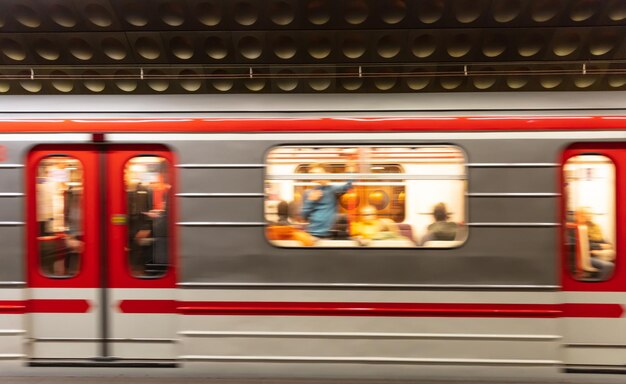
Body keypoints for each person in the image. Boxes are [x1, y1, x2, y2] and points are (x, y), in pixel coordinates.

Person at [301, 163, 353, 238]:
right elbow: (304, 216)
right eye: (312, 174)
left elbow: (349, 185)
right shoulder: (308, 192)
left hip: (329, 234)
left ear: (327, 174)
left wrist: (350, 166)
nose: (315, 178)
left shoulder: (333, 190)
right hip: (312, 234)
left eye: (318, 174)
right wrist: (310, 201)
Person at [575, 207, 614, 280]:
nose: (589, 215)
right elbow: (586, 245)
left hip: (596, 254)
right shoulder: (579, 228)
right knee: (609, 266)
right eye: (587, 214)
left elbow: (607, 244)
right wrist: (600, 246)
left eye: (590, 213)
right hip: (586, 257)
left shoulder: (596, 226)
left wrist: (598, 247)